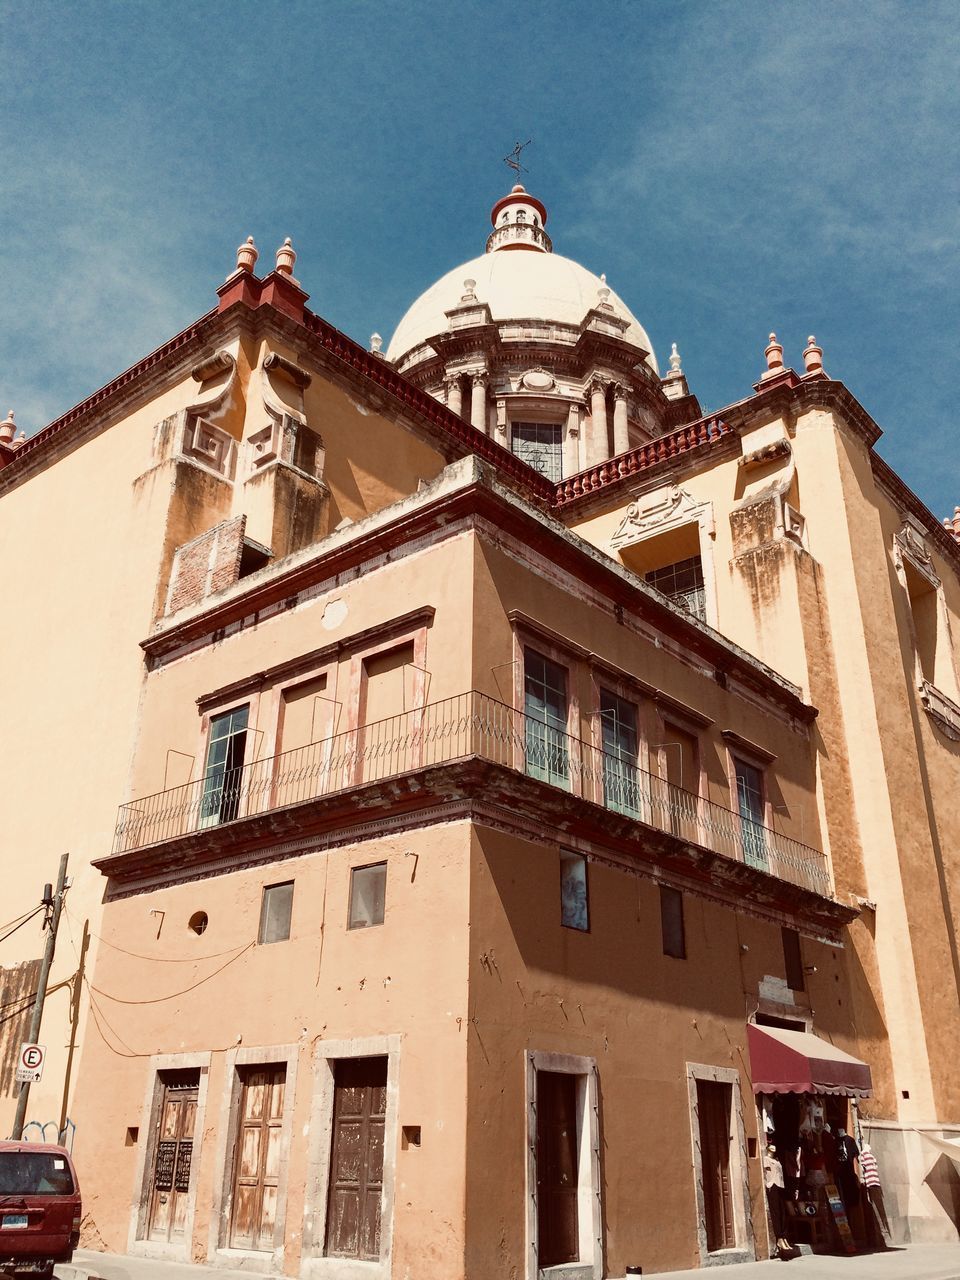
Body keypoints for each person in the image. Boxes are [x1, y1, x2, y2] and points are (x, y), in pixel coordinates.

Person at [763, 1144, 792, 1257]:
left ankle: (784, 1237)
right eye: (771, 1146)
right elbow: (766, 1173)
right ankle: (779, 1238)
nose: (774, 1148)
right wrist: (768, 1184)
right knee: (776, 1213)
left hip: (780, 1185)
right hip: (772, 1185)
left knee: (783, 1213)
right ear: (767, 1148)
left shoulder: (777, 1160)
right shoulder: (766, 1159)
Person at [859, 1143, 891, 1242]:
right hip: (874, 1181)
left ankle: (883, 1231)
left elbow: (862, 1167)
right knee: (876, 1205)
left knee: (876, 1205)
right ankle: (882, 1231)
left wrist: (863, 1178)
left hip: (869, 1181)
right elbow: (873, 1167)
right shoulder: (867, 1156)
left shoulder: (864, 1156)